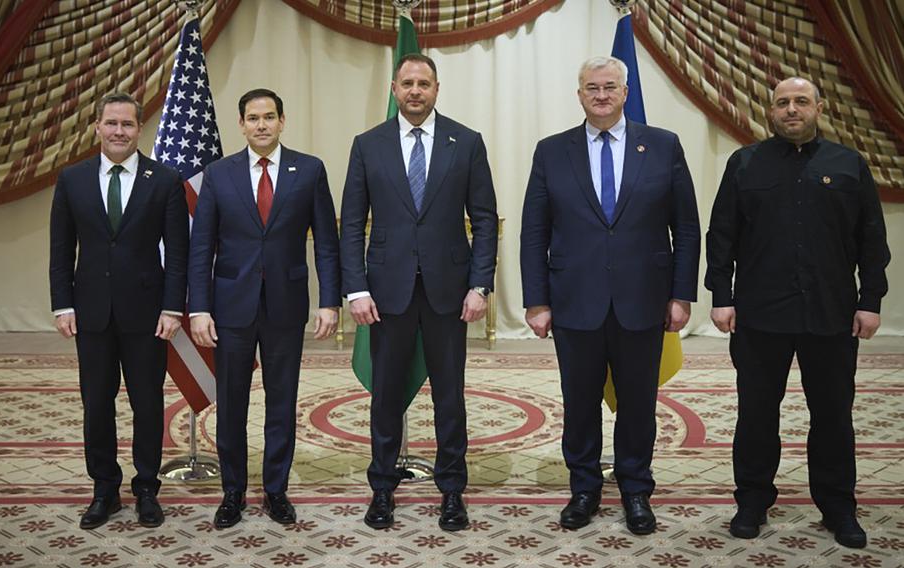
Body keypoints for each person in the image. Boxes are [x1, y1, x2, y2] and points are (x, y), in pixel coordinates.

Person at [705, 77, 890, 549]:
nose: (792, 109)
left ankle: (837, 506)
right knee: (756, 414)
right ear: (770, 111)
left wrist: (870, 301)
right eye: (783, 102)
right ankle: (751, 500)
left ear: (819, 108)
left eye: (801, 102)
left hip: (831, 315)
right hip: (759, 315)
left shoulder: (848, 165)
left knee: (832, 414)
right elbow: (722, 235)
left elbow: (872, 241)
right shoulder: (745, 163)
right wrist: (720, 296)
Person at [520, 56, 700, 534]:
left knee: (639, 402)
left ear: (625, 92)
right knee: (579, 402)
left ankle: (636, 490)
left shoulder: (662, 146)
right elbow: (534, 231)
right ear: (579, 95)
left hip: (644, 299)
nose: (601, 95)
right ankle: (584, 488)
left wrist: (681, 293)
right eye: (591, 88)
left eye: (610, 87)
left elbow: (685, 225)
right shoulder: (551, 151)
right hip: (574, 299)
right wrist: (536, 301)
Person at [340, 53, 498, 532]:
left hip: (450, 292)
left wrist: (479, 283)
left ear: (436, 88)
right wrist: (356, 289)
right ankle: (383, 489)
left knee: (450, 396)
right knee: (385, 395)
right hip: (386, 294)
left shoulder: (465, 142)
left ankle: (452, 490)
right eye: (407, 83)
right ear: (394, 89)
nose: (415, 91)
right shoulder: (368, 145)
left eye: (423, 83)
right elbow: (351, 223)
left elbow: (485, 218)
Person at [188, 88, 340, 529]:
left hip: (285, 307)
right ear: (241, 124)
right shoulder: (219, 174)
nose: (261, 125)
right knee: (231, 403)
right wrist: (198, 307)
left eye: (269, 116)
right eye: (253, 118)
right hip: (230, 307)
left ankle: (276, 489)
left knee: (282, 401)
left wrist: (329, 300)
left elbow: (326, 245)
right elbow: (202, 248)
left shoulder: (308, 170)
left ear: (282, 121)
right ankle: (232, 491)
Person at [49, 92, 188, 529]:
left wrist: (173, 308)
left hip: (148, 315)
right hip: (90, 313)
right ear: (97, 127)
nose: (119, 132)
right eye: (111, 124)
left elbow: (179, 254)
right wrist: (62, 303)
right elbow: (60, 249)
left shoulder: (163, 180)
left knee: (147, 405)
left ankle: (146, 487)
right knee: (96, 403)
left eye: (127, 125)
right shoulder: (72, 179)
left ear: (139, 129)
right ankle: (104, 489)